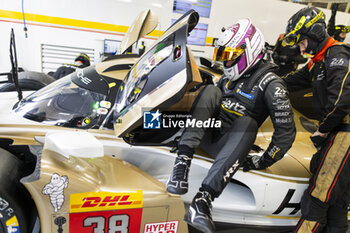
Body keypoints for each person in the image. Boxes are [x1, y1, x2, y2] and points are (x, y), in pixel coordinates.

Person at [166, 18, 296, 233]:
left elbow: (286, 130)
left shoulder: (271, 83)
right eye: (223, 55)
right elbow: (205, 107)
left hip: (230, 145)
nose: (226, 62)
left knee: (247, 123)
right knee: (210, 90)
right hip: (208, 133)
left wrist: (261, 161)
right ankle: (181, 165)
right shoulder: (227, 78)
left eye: (230, 56)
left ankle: (203, 201)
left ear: (248, 50)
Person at [282, 6, 350, 233]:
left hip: (344, 133)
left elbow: (340, 101)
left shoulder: (337, 55)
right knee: (337, 205)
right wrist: (266, 76)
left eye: (301, 40)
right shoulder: (318, 61)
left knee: (317, 196)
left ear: (315, 33)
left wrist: (322, 130)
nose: (299, 46)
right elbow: (291, 81)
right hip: (339, 132)